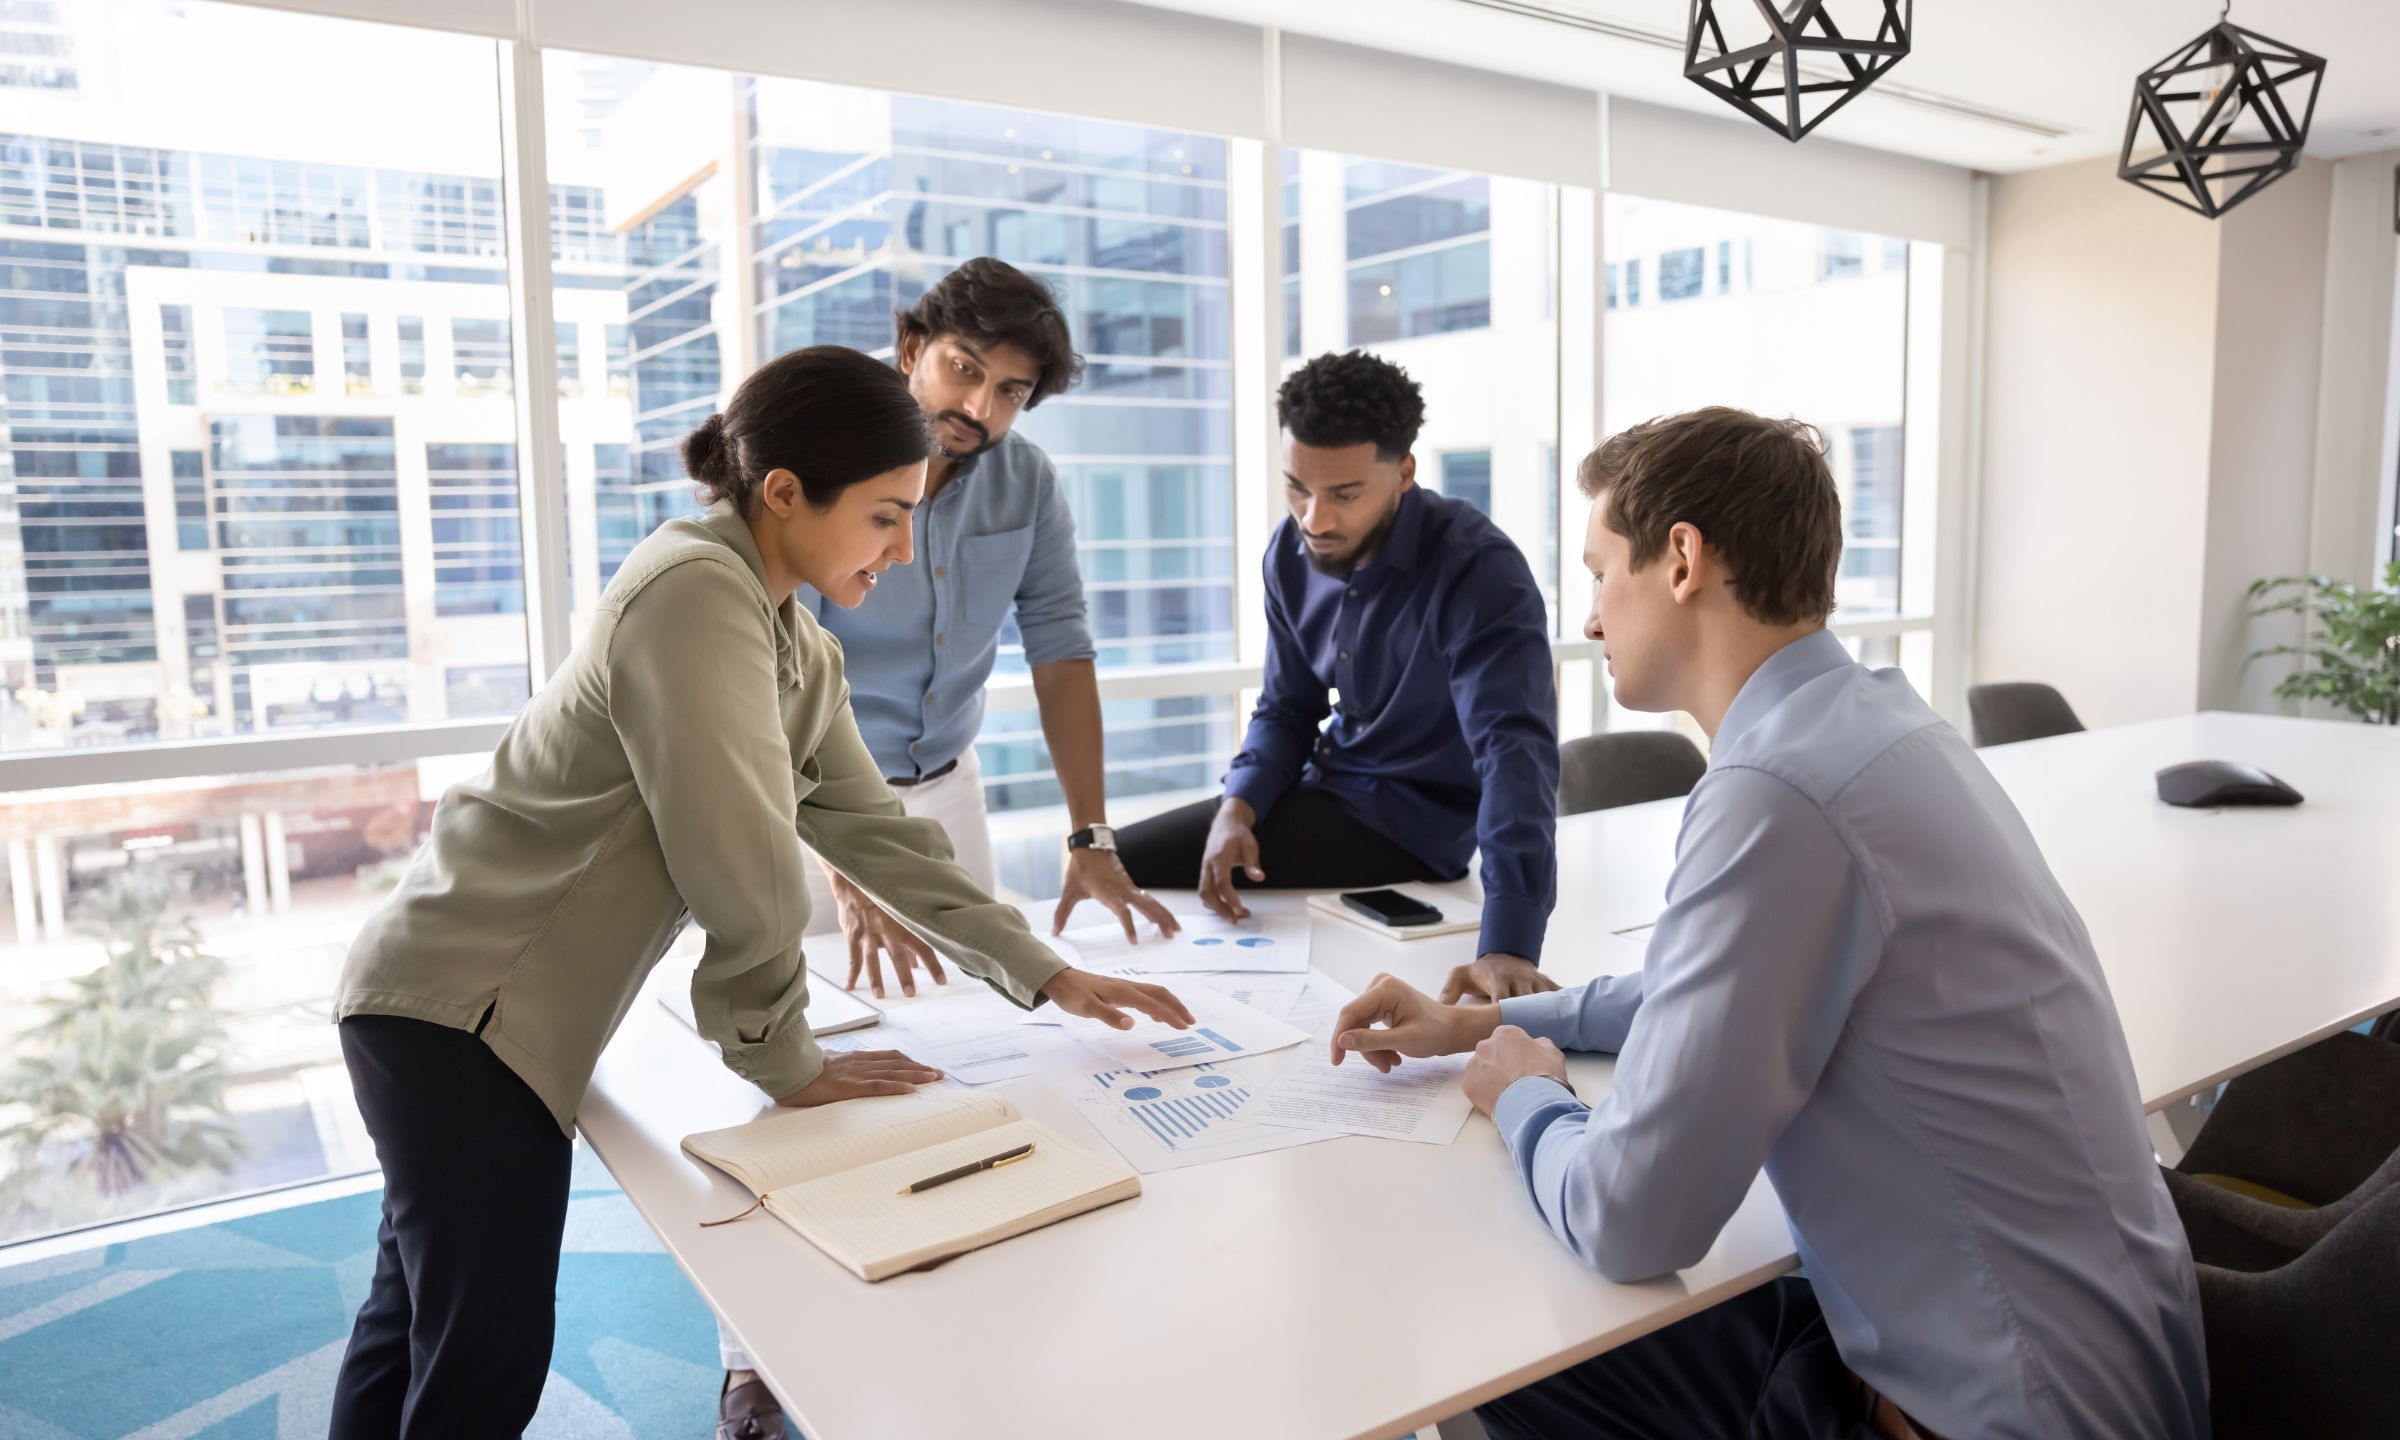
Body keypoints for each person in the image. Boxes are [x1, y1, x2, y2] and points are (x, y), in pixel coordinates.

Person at [326, 345, 1192, 1440]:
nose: (905, 547)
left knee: (414, 1315)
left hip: (455, 1004)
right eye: (884, 515)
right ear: (784, 494)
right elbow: (733, 850)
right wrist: (783, 1057)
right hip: (462, 1009)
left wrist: (1044, 969)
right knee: (482, 1350)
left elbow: (876, 831)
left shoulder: (794, 641)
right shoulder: (693, 590)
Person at [1327, 407, 2209, 1440]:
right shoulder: (1879, 728)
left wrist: (1526, 1095)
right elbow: (1699, 991)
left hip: (1997, 1419)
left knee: (1498, 1337)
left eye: (1603, 569)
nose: (1593, 618)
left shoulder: (1778, 791)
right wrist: (1480, 1027)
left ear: (1684, 560)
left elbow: (1632, 1217)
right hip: (2107, 1371)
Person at [1114, 350, 1562, 1004]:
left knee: (1133, 865)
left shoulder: (1480, 570)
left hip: (1411, 828)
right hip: (1326, 788)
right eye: (1298, 486)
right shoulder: (1288, 553)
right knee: (1118, 864)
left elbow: (1513, 752)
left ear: (1404, 472)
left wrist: (1509, 943)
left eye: (1345, 494)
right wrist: (1238, 806)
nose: (1314, 519)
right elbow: (1287, 707)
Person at [796, 257, 1178, 1006]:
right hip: (811, 796)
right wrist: (847, 862)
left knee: (982, 1007)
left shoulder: (1027, 482)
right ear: (913, 351)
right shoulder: (825, 462)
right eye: (963, 369)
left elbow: (1062, 651)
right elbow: (778, 680)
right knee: (823, 1011)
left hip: (946, 790)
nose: (979, 406)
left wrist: (1090, 836)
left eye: (1011, 391)